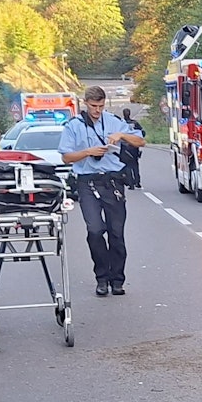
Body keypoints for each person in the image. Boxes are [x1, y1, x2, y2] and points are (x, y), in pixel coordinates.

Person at [58, 86, 143, 297]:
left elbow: (141, 141)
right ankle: (102, 277)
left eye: (101, 106)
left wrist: (122, 135)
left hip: (113, 182)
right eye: (93, 106)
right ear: (85, 103)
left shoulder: (113, 121)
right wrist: (88, 152)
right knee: (95, 230)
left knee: (116, 233)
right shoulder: (74, 126)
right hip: (87, 182)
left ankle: (117, 280)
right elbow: (66, 158)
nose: (97, 110)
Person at [119, 107, 146, 189]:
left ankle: (131, 184)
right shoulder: (134, 123)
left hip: (124, 147)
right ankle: (137, 182)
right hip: (134, 146)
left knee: (127, 166)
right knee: (135, 165)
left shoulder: (120, 123)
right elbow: (143, 132)